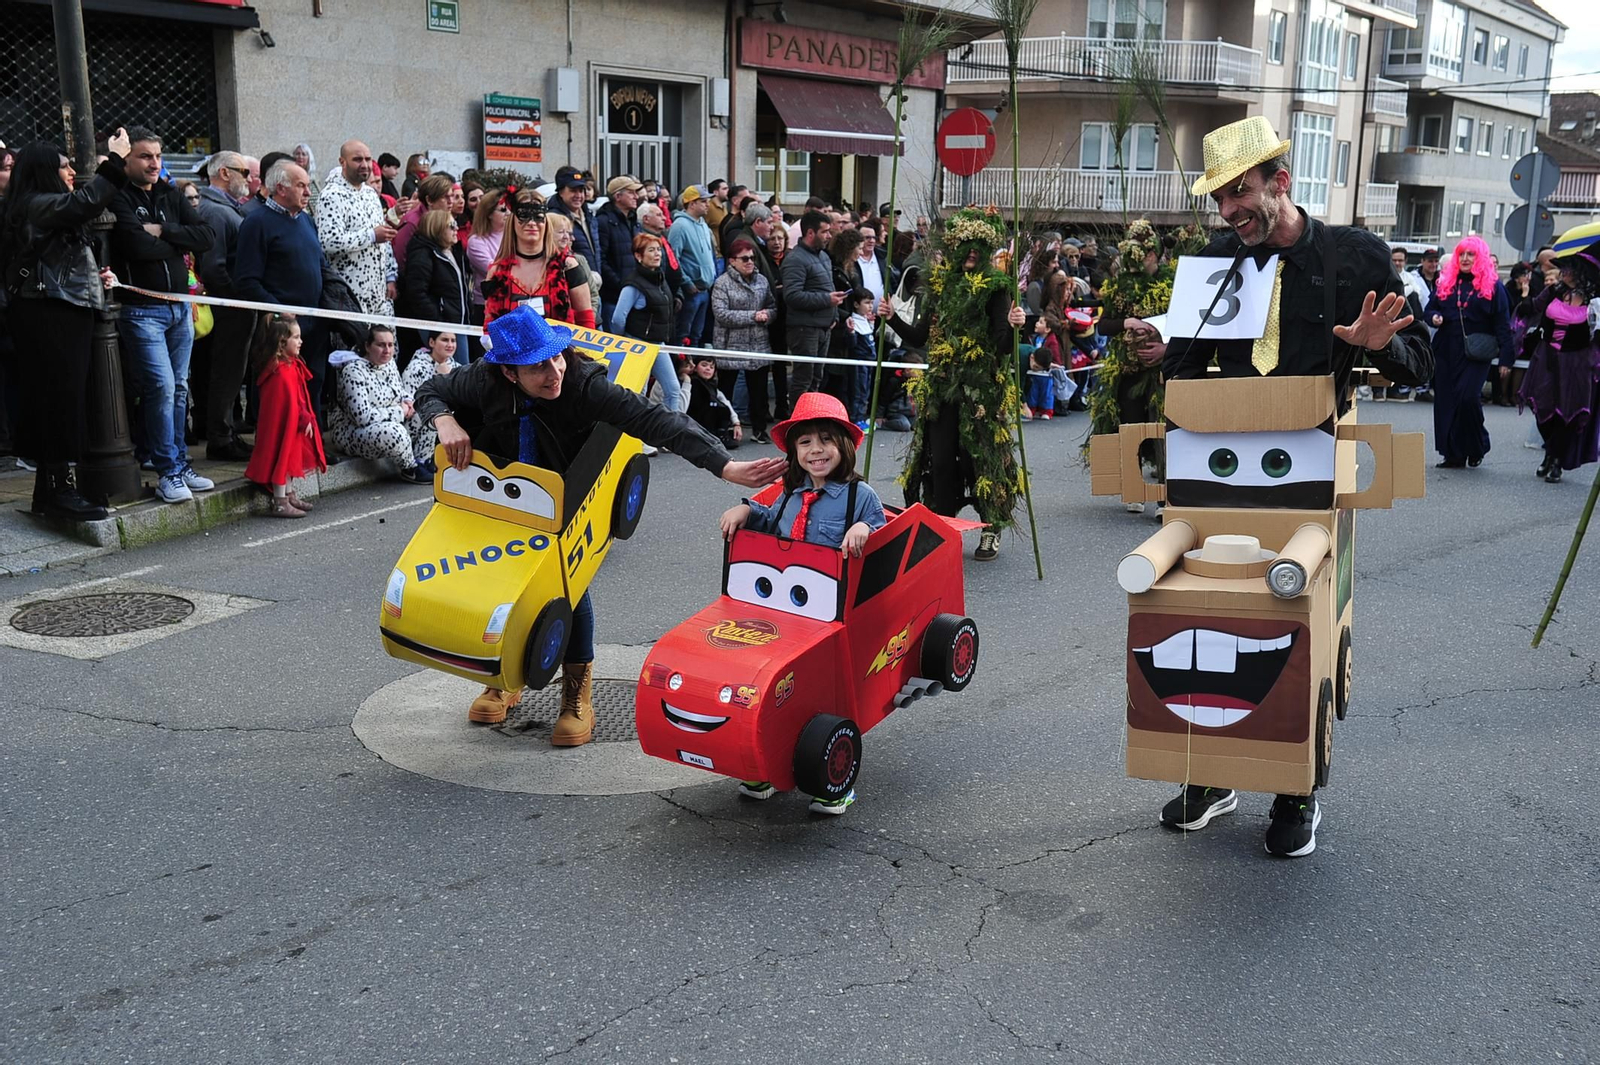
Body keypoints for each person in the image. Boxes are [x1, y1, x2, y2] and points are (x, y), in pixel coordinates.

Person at [1138, 115, 1433, 858]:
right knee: (1211, 616)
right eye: (1220, 201)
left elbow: (1422, 361)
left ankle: (1295, 785)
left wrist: (1380, 345)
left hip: (1307, 476)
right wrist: (1163, 347)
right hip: (1219, 474)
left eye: (1242, 194)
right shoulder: (1213, 261)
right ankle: (1210, 773)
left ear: (1281, 182)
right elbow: (1187, 368)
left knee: (1292, 620)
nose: (1231, 212)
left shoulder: (1354, 257)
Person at [416, 307, 787, 737]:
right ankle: (502, 680)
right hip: (501, 487)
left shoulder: (582, 385)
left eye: (555, 357)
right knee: (497, 575)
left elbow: (657, 420)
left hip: (569, 486)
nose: (553, 370)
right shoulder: (483, 377)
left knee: (567, 584)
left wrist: (724, 466)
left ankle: (578, 694)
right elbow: (431, 390)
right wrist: (444, 421)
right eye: (538, 366)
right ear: (509, 373)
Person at [717, 391, 887, 814]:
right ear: (794, 451)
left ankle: (832, 777)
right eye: (805, 442)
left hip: (831, 614)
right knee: (770, 686)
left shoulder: (856, 495)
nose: (816, 450)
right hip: (781, 608)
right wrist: (745, 511)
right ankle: (764, 762)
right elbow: (770, 522)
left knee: (822, 693)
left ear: (843, 447)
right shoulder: (790, 493)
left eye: (825, 440)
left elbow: (882, 528)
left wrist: (864, 527)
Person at [0, 130, 133, 518]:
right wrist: (114, 161)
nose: (72, 172)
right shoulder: (36, 204)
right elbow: (86, 204)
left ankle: (49, 490)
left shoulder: (37, 205)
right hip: (49, 312)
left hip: (57, 309)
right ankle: (61, 491)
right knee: (60, 401)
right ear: (45, 171)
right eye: (64, 166)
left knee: (60, 399)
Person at [887, 207, 1028, 562]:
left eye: (977, 244)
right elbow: (920, 335)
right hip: (942, 388)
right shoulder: (938, 285)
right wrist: (892, 319)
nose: (970, 251)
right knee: (942, 459)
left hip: (980, 391)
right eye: (964, 243)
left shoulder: (997, 288)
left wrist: (1014, 327)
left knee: (977, 459)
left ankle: (991, 526)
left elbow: (1000, 347)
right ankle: (942, 526)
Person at [109, 125, 216, 504]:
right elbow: (134, 245)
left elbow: (206, 235)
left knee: (180, 388)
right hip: (143, 312)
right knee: (161, 387)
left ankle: (179, 461)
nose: (154, 163)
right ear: (127, 160)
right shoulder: (119, 196)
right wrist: (174, 240)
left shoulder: (170, 194)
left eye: (157, 156)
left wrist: (164, 231)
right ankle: (166, 469)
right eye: (145, 156)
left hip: (179, 309)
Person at [234, 159, 342, 422]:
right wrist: (280, 311)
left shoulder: (306, 220)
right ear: (281, 189)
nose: (308, 192)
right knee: (279, 390)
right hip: (280, 326)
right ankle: (278, 452)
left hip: (314, 322)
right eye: (301, 185)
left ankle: (310, 449)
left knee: (312, 385)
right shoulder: (257, 222)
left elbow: (320, 265)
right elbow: (246, 280)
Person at [1516, 229, 1600, 483]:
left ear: (1580, 271)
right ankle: (1551, 454)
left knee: (1569, 412)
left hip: (1577, 362)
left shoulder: (1594, 301)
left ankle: (1555, 461)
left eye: (1570, 267)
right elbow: (1532, 308)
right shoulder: (1554, 292)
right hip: (1547, 358)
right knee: (1542, 406)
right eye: (1563, 268)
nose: (1564, 272)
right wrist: (1524, 295)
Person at [1423, 235, 1512, 469]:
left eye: (1470, 254)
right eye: (1461, 254)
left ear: (1480, 258)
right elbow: (1429, 308)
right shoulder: (1446, 282)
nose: (1464, 258)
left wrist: (1506, 359)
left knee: (1468, 398)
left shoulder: (1494, 287)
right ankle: (1453, 454)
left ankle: (1477, 444)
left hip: (1476, 353)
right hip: (1446, 350)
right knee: (1445, 402)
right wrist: (1434, 317)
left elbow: (1503, 325)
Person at [191, 149, 256, 461]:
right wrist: (236, 299)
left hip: (233, 305)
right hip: (229, 307)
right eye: (242, 172)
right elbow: (214, 266)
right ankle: (220, 436)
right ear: (224, 173)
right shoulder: (216, 211)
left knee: (230, 372)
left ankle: (223, 430)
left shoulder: (228, 209)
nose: (248, 178)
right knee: (226, 372)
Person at [326, 325, 436, 483]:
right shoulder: (353, 371)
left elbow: (399, 390)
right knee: (394, 431)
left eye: (390, 345)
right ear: (367, 346)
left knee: (428, 411)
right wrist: (399, 411)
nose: (387, 350)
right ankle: (409, 469)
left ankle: (422, 460)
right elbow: (362, 417)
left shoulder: (389, 364)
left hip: (389, 419)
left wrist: (408, 401)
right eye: (381, 345)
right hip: (352, 432)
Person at [243, 313, 325, 517]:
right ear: (281, 342)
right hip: (284, 427)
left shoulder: (287, 367)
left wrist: (303, 416)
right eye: (296, 337)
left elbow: (296, 399)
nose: (300, 341)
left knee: (288, 458)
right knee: (281, 455)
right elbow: (286, 405)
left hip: (292, 424)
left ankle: (288, 494)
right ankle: (280, 500)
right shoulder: (280, 372)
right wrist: (302, 417)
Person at [480, 187, 595, 329]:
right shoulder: (497, 271)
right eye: (524, 215)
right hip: (514, 351)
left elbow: (586, 321)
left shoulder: (568, 266)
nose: (531, 223)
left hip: (561, 350)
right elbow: (490, 324)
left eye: (538, 216)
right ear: (513, 221)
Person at [316, 140, 398, 319]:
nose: (365, 165)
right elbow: (328, 242)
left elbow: (383, 237)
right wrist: (370, 236)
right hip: (350, 296)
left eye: (368, 159)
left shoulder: (370, 194)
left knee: (387, 346)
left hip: (378, 294)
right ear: (342, 162)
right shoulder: (331, 196)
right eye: (357, 159)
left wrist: (390, 276)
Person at [711, 237, 777, 443]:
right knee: (726, 391)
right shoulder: (722, 284)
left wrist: (768, 315)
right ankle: (723, 428)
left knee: (758, 392)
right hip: (730, 345)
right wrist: (753, 316)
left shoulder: (763, 281)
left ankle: (759, 429)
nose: (750, 262)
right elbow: (721, 314)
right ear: (732, 261)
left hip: (757, 344)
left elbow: (773, 307)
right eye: (745, 258)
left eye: (752, 258)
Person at [610, 232, 681, 416]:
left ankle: (670, 436)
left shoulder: (660, 278)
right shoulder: (632, 285)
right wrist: (626, 341)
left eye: (659, 249)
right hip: (637, 344)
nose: (657, 254)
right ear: (638, 256)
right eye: (651, 250)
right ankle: (636, 441)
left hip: (658, 344)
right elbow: (617, 319)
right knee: (638, 393)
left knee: (673, 389)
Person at [781, 210, 846, 401]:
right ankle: (796, 425)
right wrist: (827, 300)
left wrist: (834, 315)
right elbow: (792, 296)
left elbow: (828, 287)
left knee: (816, 378)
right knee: (803, 379)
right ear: (810, 233)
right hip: (804, 329)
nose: (829, 236)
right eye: (825, 232)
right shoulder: (795, 260)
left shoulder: (823, 257)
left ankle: (810, 422)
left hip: (824, 327)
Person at [398, 208, 468, 340]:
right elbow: (416, 292)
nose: (456, 229)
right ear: (438, 227)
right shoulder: (422, 255)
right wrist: (438, 318)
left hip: (458, 323)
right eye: (452, 226)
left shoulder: (454, 252)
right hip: (439, 328)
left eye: (456, 224)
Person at [668, 184, 717, 346]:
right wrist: (686, 282)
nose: (707, 204)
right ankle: (682, 368)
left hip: (704, 289)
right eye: (703, 201)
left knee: (697, 333)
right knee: (684, 334)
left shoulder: (703, 224)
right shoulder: (680, 226)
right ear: (691, 203)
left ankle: (693, 369)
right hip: (691, 290)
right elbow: (673, 258)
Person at [595, 175, 642, 326]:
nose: (636, 196)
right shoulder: (604, 221)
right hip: (614, 296)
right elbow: (601, 259)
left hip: (634, 292)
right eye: (631, 192)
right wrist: (621, 284)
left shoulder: (633, 221)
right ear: (618, 196)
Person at [677, 352, 741, 449]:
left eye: (711, 367)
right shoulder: (693, 382)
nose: (708, 369)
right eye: (704, 365)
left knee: (722, 407)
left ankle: (719, 434)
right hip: (693, 420)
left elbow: (725, 401)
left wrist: (736, 423)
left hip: (706, 422)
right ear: (695, 367)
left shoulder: (711, 385)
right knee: (716, 407)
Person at [391, 174, 452, 275]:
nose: (451, 202)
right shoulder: (412, 222)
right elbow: (401, 258)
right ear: (429, 200)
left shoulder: (445, 217)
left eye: (451, 196)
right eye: (445, 197)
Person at [547, 165, 598, 268]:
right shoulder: (554, 219)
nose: (578, 195)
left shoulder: (590, 216)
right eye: (573, 190)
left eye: (581, 190)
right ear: (561, 192)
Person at [292, 144, 320, 216]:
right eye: (297, 154)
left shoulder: (314, 179)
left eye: (304, 154)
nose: (300, 157)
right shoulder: (291, 178)